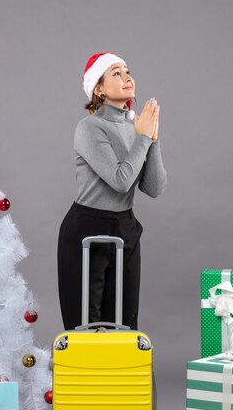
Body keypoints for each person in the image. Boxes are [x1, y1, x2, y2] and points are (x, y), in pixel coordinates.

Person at [57, 52, 167, 330]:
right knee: (86, 326)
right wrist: (143, 137)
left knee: (124, 323)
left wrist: (152, 139)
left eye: (127, 70)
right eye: (116, 73)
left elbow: (154, 187)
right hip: (88, 228)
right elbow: (120, 180)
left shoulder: (135, 127)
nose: (127, 76)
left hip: (125, 227)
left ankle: (120, 374)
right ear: (99, 89)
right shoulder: (89, 128)